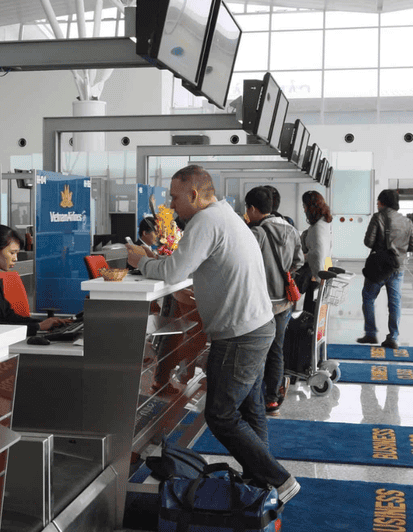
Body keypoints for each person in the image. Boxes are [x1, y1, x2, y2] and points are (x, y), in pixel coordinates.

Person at [125, 165, 301, 504]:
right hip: (256, 326)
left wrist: (141, 262)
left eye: (175, 197)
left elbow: (175, 269)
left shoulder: (206, 221)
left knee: (221, 414)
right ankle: (259, 480)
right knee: (250, 410)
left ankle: (278, 479)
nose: (172, 206)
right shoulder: (225, 216)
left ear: (193, 194)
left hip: (240, 334)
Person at [245, 187, 303, 416]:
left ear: (252, 208)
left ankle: (254, 399)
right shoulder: (290, 229)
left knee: (258, 350)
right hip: (284, 303)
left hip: (262, 303)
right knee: (276, 349)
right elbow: (298, 261)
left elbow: (246, 265)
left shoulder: (257, 233)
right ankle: (272, 400)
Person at [0, 225, 70, 332]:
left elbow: (8, 315)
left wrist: (42, 323)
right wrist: (37, 327)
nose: (15, 258)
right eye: (12, 253)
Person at [357, 189, 413, 350]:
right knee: (395, 303)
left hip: (379, 267)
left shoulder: (378, 217)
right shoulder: (407, 221)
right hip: (398, 268)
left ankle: (370, 333)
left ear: (383, 203)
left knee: (368, 297)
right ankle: (393, 337)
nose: (377, 205)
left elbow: (368, 242)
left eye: (378, 202)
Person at [300, 190, 333, 314]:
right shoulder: (325, 222)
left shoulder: (318, 228)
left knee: (310, 312)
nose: (304, 210)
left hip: (317, 277)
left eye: (304, 206)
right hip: (324, 271)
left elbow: (318, 254)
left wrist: (303, 257)